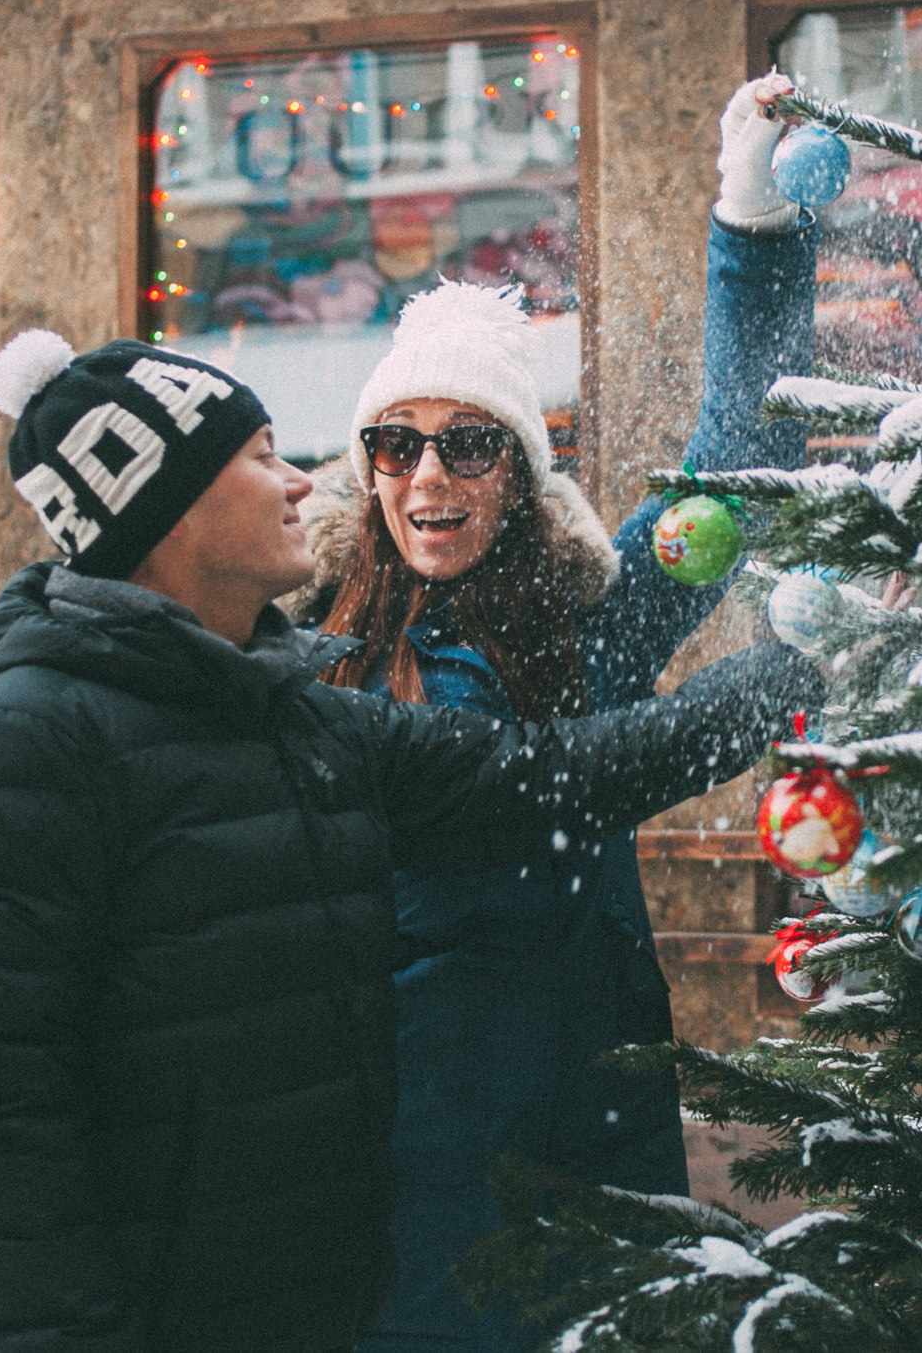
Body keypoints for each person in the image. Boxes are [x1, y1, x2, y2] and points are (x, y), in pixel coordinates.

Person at [0, 331, 816, 1353]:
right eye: (259, 456)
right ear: (173, 509)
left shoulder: (299, 720)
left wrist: (789, 673)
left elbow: (540, 780)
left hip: (330, 1296)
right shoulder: (19, 752)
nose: (299, 483)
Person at [281, 75, 819, 1353]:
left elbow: (739, 460)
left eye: (470, 445)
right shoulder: (312, 658)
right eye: (395, 446)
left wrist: (747, 222)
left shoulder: (596, 620)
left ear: (520, 473)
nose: (428, 478)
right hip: (407, 1154)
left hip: (597, 1116)